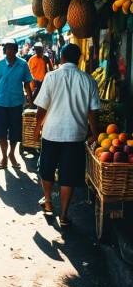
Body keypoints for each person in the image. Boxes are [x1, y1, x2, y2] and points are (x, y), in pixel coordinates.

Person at [33, 43, 100, 226]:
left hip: (51, 132)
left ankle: (47, 202)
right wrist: (95, 133)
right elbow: (93, 112)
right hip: (75, 135)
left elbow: (42, 107)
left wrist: (37, 128)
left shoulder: (51, 76)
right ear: (78, 59)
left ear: (61, 57)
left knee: (47, 169)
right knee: (68, 175)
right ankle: (63, 215)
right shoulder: (88, 80)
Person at [0, 38, 33, 170]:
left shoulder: (23, 64)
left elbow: (27, 83)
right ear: (4, 50)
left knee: (15, 133)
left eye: (12, 48)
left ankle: (12, 154)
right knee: (1, 133)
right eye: (7, 48)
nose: (9, 50)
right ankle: (3, 157)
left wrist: (30, 101)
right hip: (1, 103)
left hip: (16, 103)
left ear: (16, 49)